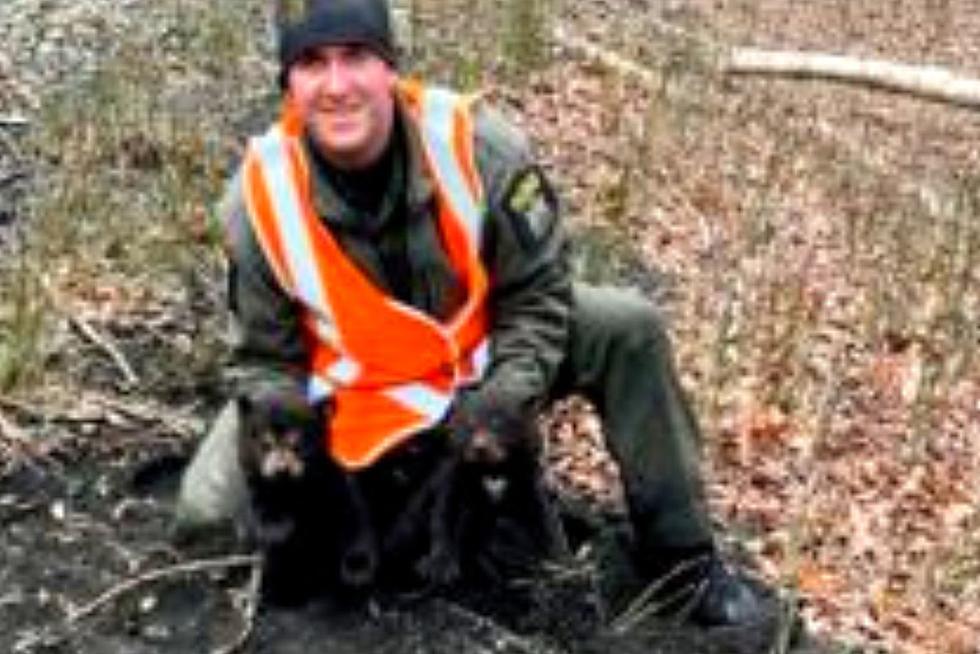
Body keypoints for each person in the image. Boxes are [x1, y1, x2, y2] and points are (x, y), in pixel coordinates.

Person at [176, 0, 768, 630]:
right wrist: (291, 452)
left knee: (627, 326)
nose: (337, 85)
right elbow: (266, 361)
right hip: (353, 383)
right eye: (313, 64)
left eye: (356, 58)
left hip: (481, 360)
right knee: (206, 513)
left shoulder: (480, 147)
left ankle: (682, 559)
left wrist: (502, 406)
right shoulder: (257, 198)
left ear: (390, 69)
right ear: (288, 84)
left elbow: (538, 298)